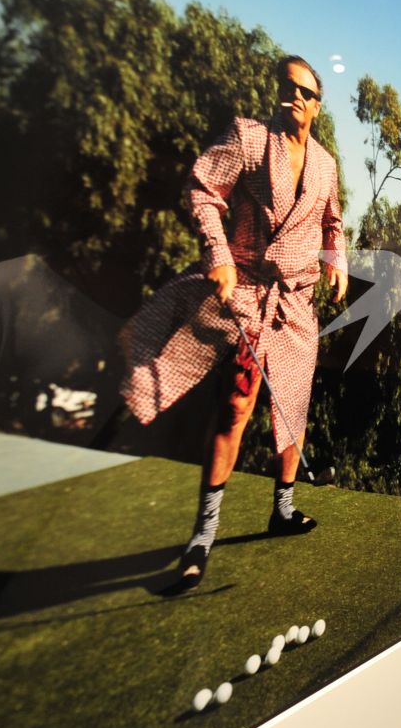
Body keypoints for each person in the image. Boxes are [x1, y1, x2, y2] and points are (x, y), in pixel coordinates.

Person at [120, 55, 348, 589]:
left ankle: (284, 509)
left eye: (305, 92)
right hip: (246, 297)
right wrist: (218, 254)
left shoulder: (325, 164)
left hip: (296, 305)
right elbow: (202, 191)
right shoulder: (247, 138)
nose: (293, 96)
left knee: (292, 408)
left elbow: (333, 221)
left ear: (317, 106)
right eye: (287, 87)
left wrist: (336, 261)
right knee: (235, 409)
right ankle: (203, 535)